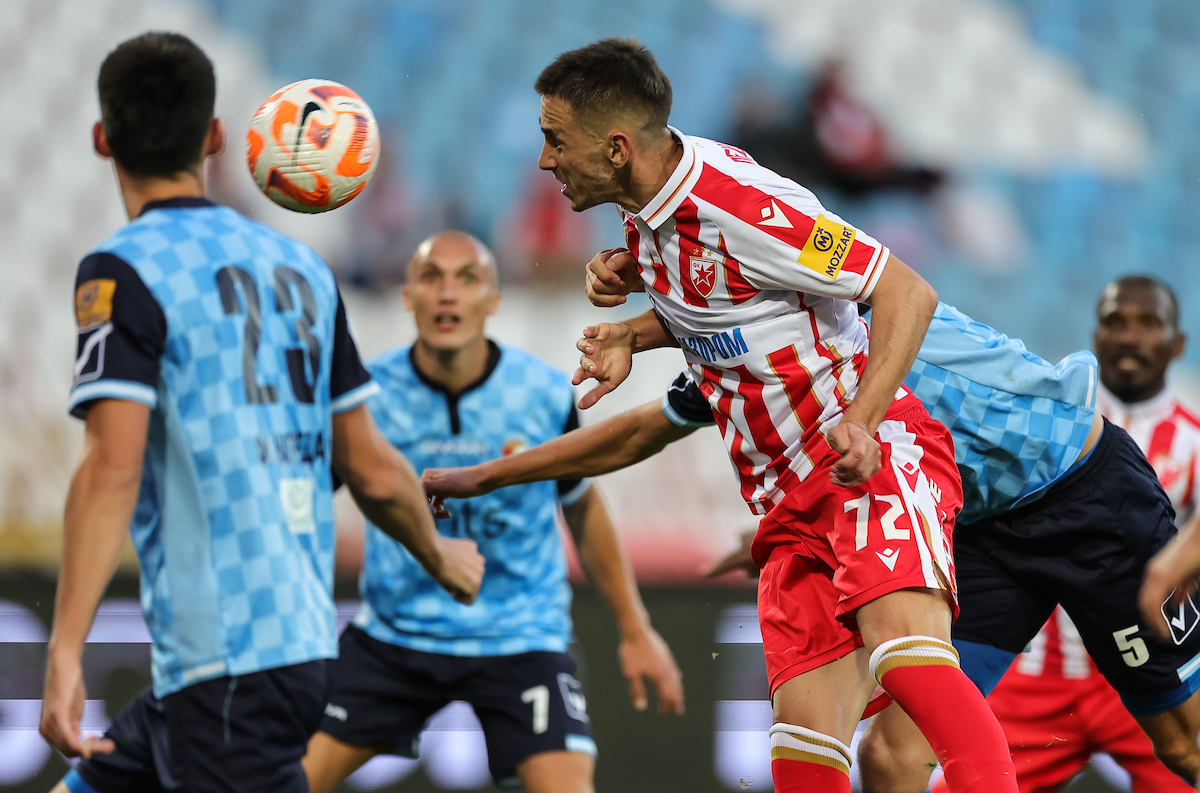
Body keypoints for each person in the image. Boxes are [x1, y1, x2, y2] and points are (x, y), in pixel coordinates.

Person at [423, 297, 1200, 789]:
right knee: (891, 755)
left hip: (1084, 490)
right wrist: (490, 474)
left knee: (1183, 744)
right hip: (981, 528)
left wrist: (636, 326)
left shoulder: (829, 293)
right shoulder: (742, 353)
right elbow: (635, 433)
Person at [529, 38, 1018, 793]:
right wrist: (633, 331)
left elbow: (905, 290)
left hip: (865, 461)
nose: (544, 160)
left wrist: (862, 420)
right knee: (803, 754)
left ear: (617, 148)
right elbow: (732, 301)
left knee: (909, 664)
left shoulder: (741, 205)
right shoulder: (650, 210)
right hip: (787, 505)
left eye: (556, 140)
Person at [38, 33, 484, 793]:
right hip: (273, 649)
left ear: (102, 139)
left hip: (227, 659)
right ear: (216, 138)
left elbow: (112, 464)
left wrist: (65, 650)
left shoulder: (122, 269)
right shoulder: (302, 268)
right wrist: (440, 555)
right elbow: (370, 465)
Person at [301, 231, 684, 793]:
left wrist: (635, 628)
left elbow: (579, 505)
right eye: (431, 278)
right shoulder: (367, 397)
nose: (447, 293)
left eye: (467, 278)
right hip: (395, 634)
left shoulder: (541, 393)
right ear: (407, 297)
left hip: (519, 637)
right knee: (285, 779)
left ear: (493, 301)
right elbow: (306, 499)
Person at [946, 275, 1200, 793]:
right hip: (1037, 681)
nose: (1129, 336)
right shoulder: (1048, 425)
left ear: (1177, 344)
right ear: (1095, 337)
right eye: (1115, 322)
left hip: (1141, 671)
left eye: (1148, 323)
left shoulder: (1192, 441)